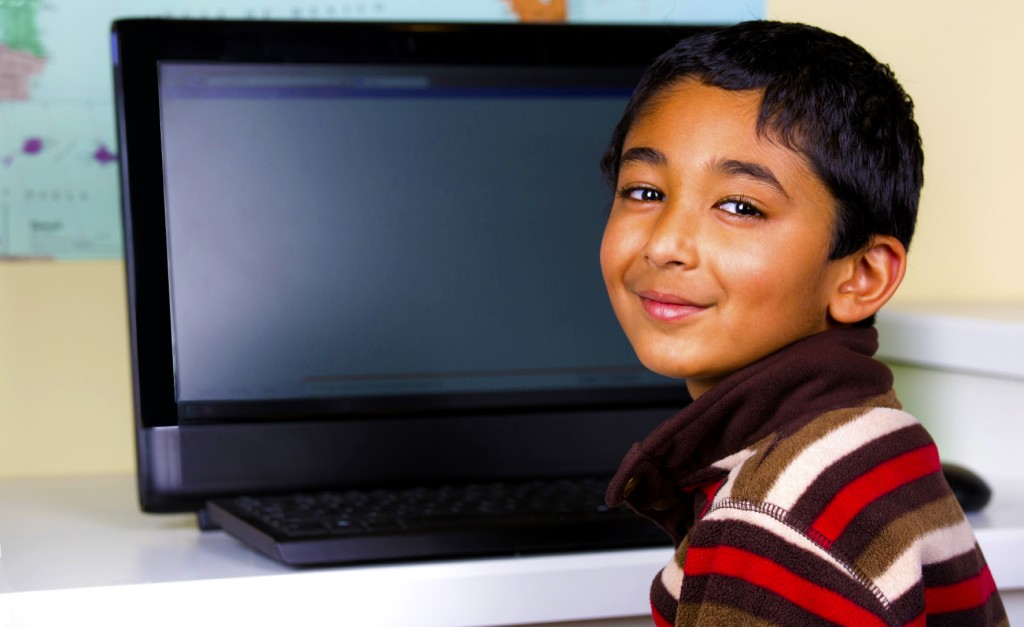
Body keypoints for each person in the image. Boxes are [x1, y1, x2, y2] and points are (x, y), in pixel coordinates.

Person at [598, 21, 1007, 626]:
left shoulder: (770, 528)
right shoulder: (873, 435)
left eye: (739, 206)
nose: (665, 244)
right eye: (644, 191)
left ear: (861, 275)